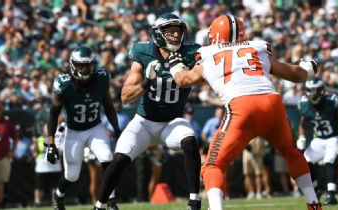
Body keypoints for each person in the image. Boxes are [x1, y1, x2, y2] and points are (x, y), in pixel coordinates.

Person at [169, 14, 322, 210]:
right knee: (291, 153)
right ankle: (313, 203)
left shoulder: (208, 53)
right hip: (272, 104)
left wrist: (175, 66)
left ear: (214, 36)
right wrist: (311, 68)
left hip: (242, 107)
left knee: (212, 165)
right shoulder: (257, 48)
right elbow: (296, 75)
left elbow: (183, 80)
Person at [95, 13, 202, 210]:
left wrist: (185, 72)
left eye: (178, 31)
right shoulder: (143, 52)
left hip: (172, 122)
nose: (176, 35)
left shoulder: (191, 52)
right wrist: (146, 82)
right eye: (170, 31)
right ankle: (101, 205)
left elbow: (203, 79)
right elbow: (125, 96)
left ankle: (194, 201)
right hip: (144, 121)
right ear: (158, 34)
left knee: (189, 140)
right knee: (119, 158)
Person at [46, 45, 121, 210]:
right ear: (73, 65)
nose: (84, 68)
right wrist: (51, 143)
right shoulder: (64, 84)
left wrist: (116, 128)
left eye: (87, 64)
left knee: (107, 157)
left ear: (93, 64)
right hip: (73, 131)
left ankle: (111, 202)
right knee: (72, 175)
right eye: (80, 64)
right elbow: (53, 114)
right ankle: (58, 196)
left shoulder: (101, 77)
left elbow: (108, 105)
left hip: (95, 127)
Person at [297, 77, 338, 205]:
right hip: (320, 139)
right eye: (310, 90)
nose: (312, 94)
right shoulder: (304, 103)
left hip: (334, 137)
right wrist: (301, 136)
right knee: (304, 161)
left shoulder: (331, 102)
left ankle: (331, 195)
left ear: (322, 91)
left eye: (315, 90)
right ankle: (316, 189)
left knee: (329, 161)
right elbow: (303, 124)